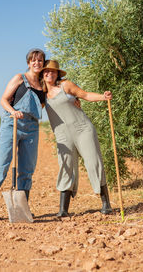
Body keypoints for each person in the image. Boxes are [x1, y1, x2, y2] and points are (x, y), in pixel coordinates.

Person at [40, 60, 113, 217]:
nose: (49, 74)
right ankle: (63, 210)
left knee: (94, 163)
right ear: (42, 74)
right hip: (62, 135)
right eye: (46, 71)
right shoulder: (42, 94)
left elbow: (85, 95)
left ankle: (106, 204)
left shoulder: (65, 85)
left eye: (52, 71)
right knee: (65, 167)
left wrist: (103, 96)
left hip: (82, 129)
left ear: (57, 73)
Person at [0, 48, 46, 224]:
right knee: (1, 165)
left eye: (40, 60)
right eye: (34, 60)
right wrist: (14, 111)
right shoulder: (19, 78)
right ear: (28, 63)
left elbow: (41, 105)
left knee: (27, 169)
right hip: (12, 124)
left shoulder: (43, 85)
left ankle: (22, 210)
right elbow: (3, 100)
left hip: (32, 127)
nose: (37, 63)